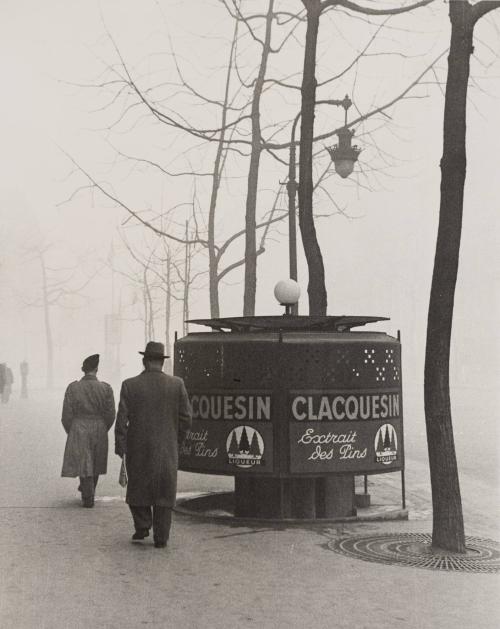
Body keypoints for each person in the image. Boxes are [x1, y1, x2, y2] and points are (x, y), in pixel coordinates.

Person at [115, 341, 192, 548]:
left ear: (144, 361)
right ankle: (161, 537)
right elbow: (186, 418)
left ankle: (142, 525)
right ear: (162, 362)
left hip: (138, 447)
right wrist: (177, 441)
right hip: (167, 448)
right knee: (165, 491)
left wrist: (121, 447)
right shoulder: (177, 385)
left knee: (138, 488)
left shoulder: (129, 385)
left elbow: (121, 420)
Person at [61, 354, 115, 507]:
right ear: (97, 369)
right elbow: (111, 414)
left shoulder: (73, 388)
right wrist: (104, 427)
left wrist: (71, 430)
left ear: (83, 370)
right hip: (99, 426)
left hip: (78, 426)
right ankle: (89, 491)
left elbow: (66, 415)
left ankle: (87, 492)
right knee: (96, 460)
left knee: (83, 461)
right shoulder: (106, 388)